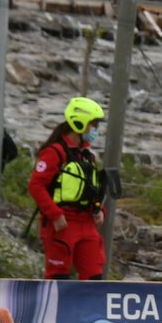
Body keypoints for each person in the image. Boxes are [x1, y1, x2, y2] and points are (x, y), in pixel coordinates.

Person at [28, 96, 108, 280]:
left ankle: (88, 309)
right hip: (62, 223)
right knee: (59, 278)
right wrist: (55, 214)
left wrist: (100, 210)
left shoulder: (86, 155)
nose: (95, 130)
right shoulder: (55, 153)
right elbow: (36, 185)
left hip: (86, 223)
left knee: (94, 276)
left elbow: (92, 188)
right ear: (79, 124)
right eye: (93, 125)